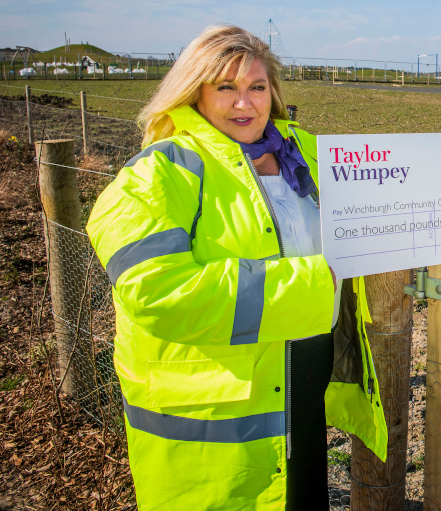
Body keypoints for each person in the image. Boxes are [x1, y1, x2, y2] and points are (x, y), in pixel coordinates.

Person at [86, 25, 387, 510]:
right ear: (194, 93)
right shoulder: (157, 174)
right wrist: (316, 284)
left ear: (275, 92)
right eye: (225, 88)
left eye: (256, 87)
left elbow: (386, 193)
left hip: (303, 384)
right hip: (217, 417)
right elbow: (158, 292)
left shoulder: (305, 153)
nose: (244, 103)